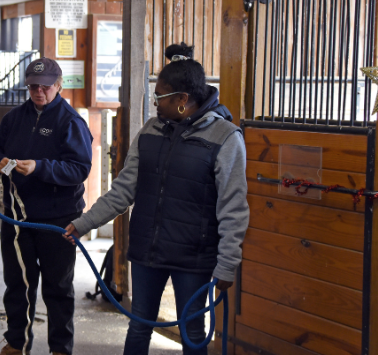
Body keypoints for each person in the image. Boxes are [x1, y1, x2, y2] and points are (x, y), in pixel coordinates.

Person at [63, 42, 249, 355]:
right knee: (139, 325)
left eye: (159, 97)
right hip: (148, 251)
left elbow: (234, 208)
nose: (155, 103)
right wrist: (84, 223)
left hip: (195, 257)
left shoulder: (226, 139)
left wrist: (228, 265)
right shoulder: (150, 131)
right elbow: (124, 189)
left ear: (182, 100)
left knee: (192, 330)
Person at [0, 57, 93, 355]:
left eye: (45, 86)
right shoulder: (14, 118)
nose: (38, 92)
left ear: (59, 86)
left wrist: (40, 168)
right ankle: (16, 343)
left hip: (57, 219)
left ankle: (60, 348)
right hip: (17, 218)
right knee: (17, 284)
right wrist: (1, 163)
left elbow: (79, 168)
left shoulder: (71, 122)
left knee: (58, 287)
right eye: (33, 86)